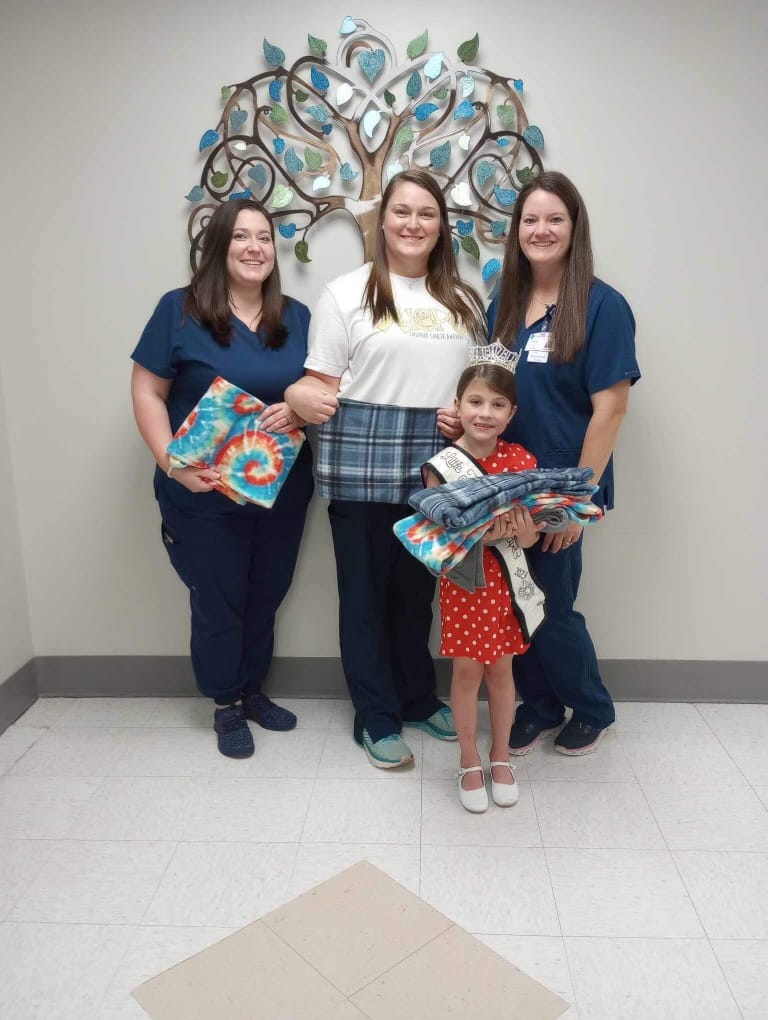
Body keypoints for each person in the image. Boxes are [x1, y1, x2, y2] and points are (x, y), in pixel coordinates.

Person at [285, 169, 486, 769]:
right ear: (383, 220)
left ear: (441, 226)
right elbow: (319, 384)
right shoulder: (345, 293)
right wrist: (298, 397)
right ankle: (374, 715)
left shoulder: (465, 301)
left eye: (427, 213)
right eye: (402, 211)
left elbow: (475, 388)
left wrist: (461, 413)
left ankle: (417, 699)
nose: (413, 223)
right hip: (360, 467)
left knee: (415, 595)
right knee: (365, 597)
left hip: (434, 471)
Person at [130, 199, 313, 758]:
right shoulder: (179, 311)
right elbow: (147, 391)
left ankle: (252, 690)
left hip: (279, 488)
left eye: (264, 237)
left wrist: (301, 411)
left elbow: (323, 388)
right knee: (219, 597)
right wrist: (172, 463)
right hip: (202, 490)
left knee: (266, 592)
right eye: (241, 237)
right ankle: (225, 704)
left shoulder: (297, 317)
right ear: (218, 247)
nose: (255, 247)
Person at [488, 170, 640, 756]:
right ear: (516, 230)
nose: (541, 230)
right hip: (504, 482)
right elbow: (491, 384)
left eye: (554, 219)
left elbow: (612, 409)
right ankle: (541, 704)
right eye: (530, 219)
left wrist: (578, 500)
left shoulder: (603, 307)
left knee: (548, 605)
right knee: (510, 601)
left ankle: (593, 707)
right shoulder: (503, 302)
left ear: (574, 228)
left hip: (561, 488)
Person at [424, 360, 544, 811]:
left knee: (501, 670)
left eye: (497, 404)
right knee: (468, 671)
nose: (485, 412)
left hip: (509, 584)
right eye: (475, 401)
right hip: (466, 585)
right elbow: (440, 542)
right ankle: (468, 758)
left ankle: (500, 756)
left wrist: (518, 530)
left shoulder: (522, 461)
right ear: (458, 406)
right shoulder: (441, 465)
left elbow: (531, 536)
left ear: (511, 413)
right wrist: (491, 534)